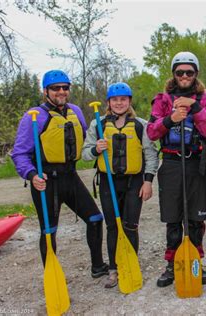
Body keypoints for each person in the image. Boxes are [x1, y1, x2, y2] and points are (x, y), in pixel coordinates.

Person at [12, 69, 108, 278]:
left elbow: (83, 138)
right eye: (56, 88)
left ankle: (98, 266)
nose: (61, 91)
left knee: (95, 218)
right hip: (46, 181)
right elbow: (19, 153)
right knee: (49, 232)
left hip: (70, 177)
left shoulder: (75, 111)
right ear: (46, 91)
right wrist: (31, 175)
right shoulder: (33, 117)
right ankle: (51, 275)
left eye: (65, 87)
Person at [146, 51, 206, 287]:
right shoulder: (162, 100)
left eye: (189, 72)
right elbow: (152, 132)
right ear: (174, 74)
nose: (184, 76)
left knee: (195, 217)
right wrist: (171, 118)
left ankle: (196, 261)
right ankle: (171, 264)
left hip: (196, 162)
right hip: (172, 162)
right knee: (173, 217)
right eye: (180, 72)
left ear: (196, 74)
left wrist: (195, 107)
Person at [81, 82, 159, 288]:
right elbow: (85, 155)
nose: (119, 103)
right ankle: (114, 269)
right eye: (114, 100)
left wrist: (148, 182)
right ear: (108, 102)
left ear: (129, 101)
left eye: (123, 99)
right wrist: (96, 149)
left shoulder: (141, 124)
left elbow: (151, 155)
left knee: (130, 226)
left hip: (134, 183)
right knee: (113, 226)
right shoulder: (97, 125)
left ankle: (130, 264)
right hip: (108, 182)